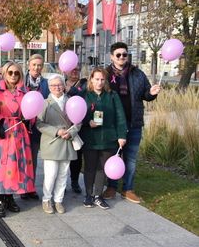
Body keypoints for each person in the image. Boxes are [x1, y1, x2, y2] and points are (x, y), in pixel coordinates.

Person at [103, 42, 160, 203]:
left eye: (125, 54)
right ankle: (111, 186)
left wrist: (152, 93)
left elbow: (145, 95)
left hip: (134, 122)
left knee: (131, 158)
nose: (122, 57)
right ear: (112, 57)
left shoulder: (137, 74)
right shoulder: (106, 74)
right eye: (118, 55)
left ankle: (128, 189)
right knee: (114, 156)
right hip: (113, 124)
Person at [0, 61, 36, 218]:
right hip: (2, 132)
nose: (14, 76)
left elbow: (31, 111)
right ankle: (0, 199)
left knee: (16, 164)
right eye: (10, 72)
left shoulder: (25, 91)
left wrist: (30, 120)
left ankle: (10, 197)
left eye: (17, 73)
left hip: (19, 132)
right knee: (1, 165)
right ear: (4, 73)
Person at [80, 68, 127, 210]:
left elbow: (120, 116)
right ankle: (88, 195)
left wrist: (121, 135)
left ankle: (98, 196)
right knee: (89, 168)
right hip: (90, 138)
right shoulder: (84, 95)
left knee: (102, 169)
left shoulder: (112, 95)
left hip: (108, 138)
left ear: (105, 80)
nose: (99, 82)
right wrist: (88, 121)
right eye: (96, 79)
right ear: (91, 80)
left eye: (102, 79)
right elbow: (78, 114)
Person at [36, 75, 80, 214]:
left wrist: (72, 133)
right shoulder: (44, 103)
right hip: (52, 142)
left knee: (63, 174)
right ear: (49, 87)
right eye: (53, 85)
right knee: (50, 174)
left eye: (59, 84)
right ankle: (47, 199)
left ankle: (58, 200)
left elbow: (78, 121)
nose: (57, 87)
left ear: (64, 86)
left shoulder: (71, 101)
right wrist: (56, 131)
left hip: (67, 142)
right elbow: (39, 123)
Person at [22, 54, 49, 200]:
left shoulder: (45, 84)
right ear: (28, 65)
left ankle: (30, 188)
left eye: (39, 65)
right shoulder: (21, 81)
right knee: (20, 158)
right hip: (21, 126)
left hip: (37, 127)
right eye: (34, 65)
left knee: (32, 158)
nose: (36, 68)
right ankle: (21, 186)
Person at [65, 65, 87, 194]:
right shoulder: (61, 82)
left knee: (77, 156)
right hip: (63, 124)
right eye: (72, 68)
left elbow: (83, 95)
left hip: (78, 125)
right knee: (63, 156)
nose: (74, 71)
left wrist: (71, 90)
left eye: (77, 68)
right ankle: (61, 183)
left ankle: (74, 181)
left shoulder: (84, 83)